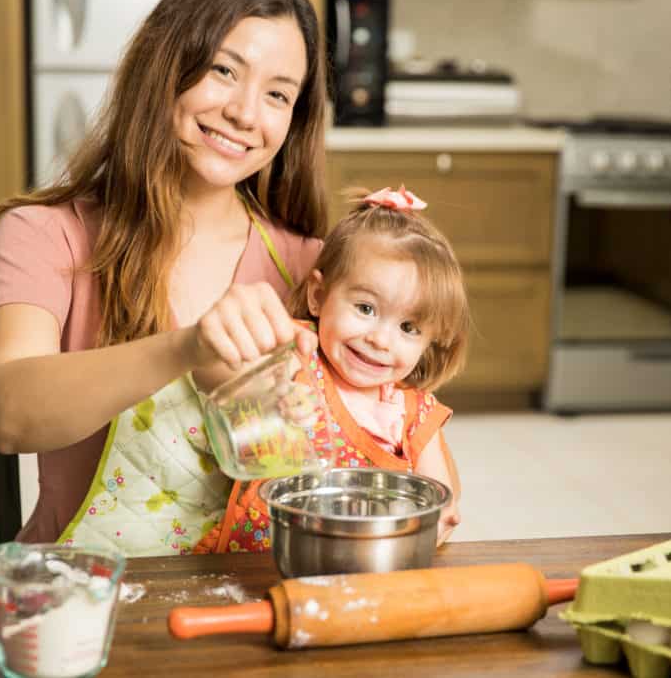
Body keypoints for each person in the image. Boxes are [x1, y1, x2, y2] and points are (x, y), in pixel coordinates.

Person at [0, 0, 328, 545]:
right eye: (223, 70)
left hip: (253, 588)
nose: (246, 113)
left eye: (278, 94)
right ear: (163, 64)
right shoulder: (45, 234)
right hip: (83, 589)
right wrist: (186, 349)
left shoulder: (309, 266)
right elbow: (9, 416)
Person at [194, 186, 470, 554]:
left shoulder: (415, 414)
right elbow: (214, 372)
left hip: (362, 566)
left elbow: (439, 497)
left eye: (408, 328)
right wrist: (273, 392)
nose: (380, 340)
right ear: (318, 296)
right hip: (256, 560)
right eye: (366, 309)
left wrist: (440, 520)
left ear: (430, 340)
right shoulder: (297, 353)